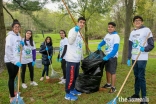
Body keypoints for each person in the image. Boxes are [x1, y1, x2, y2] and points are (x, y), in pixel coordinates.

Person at [127, 16, 154, 104]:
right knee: (136, 77)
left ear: (142, 22)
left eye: (139, 20)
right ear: (133, 23)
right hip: (134, 58)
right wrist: (128, 57)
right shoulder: (132, 32)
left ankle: (144, 99)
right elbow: (130, 46)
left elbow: (151, 45)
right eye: (135, 20)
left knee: (141, 77)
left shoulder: (147, 30)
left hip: (142, 58)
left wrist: (145, 49)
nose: (137, 22)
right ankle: (136, 95)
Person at [64, 17, 86, 101]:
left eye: (83, 23)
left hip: (77, 59)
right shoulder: (72, 30)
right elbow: (70, 42)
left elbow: (80, 47)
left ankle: (73, 89)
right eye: (80, 22)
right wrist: (76, 31)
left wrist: (81, 58)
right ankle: (67, 93)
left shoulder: (81, 33)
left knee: (75, 77)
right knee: (70, 77)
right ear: (77, 22)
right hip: (71, 59)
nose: (82, 24)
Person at [4, 19, 24, 103]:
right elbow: (8, 51)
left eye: (18, 27)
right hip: (10, 61)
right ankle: (12, 96)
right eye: (15, 26)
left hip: (17, 60)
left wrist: (22, 45)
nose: (17, 28)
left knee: (15, 77)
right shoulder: (9, 37)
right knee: (11, 78)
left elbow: (19, 50)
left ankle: (13, 92)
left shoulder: (19, 36)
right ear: (12, 28)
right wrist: (15, 61)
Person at [97, 22, 120, 93]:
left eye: (111, 27)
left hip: (112, 57)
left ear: (114, 28)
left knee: (112, 72)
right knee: (107, 70)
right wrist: (99, 45)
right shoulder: (107, 35)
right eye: (109, 27)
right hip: (106, 56)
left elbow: (115, 49)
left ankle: (113, 87)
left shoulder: (116, 36)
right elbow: (104, 41)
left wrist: (109, 56)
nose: (110, 28)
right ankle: (108, 84)